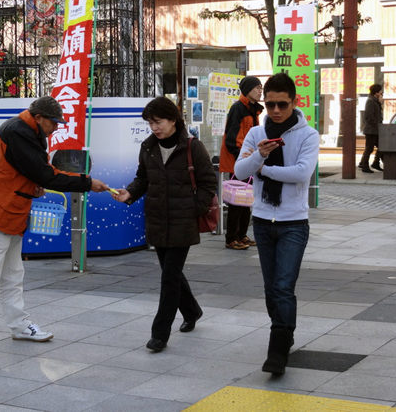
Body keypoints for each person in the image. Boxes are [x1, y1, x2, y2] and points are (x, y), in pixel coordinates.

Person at [0, 96, 109, 356]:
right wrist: (87, 182)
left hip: (10, 212)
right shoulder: (18, 132)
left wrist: (33, 186)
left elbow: (25, 172)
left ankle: (19, 325)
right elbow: (44, 174)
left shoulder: (26, 129)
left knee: (13, 275)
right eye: (53, 122)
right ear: (38, 118)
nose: (57, 127)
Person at [112, 97, 217, 352]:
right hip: (157, 219)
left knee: (169, 277)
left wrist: (194, 210)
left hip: (183, 222)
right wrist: (130, 193)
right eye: (150, 123)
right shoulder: (148, 147)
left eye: (158, 122)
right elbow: (143, 178)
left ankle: (159, 334)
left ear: (173, 120)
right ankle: (192, 311)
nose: (154, 127)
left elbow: (208, 184)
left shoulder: (193, 147)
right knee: (172, 273)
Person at [234, 73, 319, 375]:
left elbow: (301, 173)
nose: (276, 111)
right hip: (261, 220)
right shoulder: (258, 134)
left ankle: (277, 351)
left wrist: (265, 169)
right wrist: (259, 155)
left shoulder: (308, 135)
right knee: (272, 289)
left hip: (293, 223)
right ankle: (285, 331)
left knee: (283, 286)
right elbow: (239, 169)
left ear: (294, 102)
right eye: (270, 104)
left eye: (282, 104)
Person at [219, 76, 263, 250]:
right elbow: (232, 139)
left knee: (246, 199)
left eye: (261, 88)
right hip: (238, 161)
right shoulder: (238, 108)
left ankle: (242, 235)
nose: (260, 91)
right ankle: (231, 238)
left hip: (248, 160)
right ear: (247, 90)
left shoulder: (254, 110)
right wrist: (242, 159)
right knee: (237, 202)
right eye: (257, 88)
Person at [359, 84, 384, 173]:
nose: (381, 92)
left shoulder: (375, 100)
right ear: (376, 92)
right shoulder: (370, 100)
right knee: (369, 148)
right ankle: (364, 166)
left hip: (376, 130)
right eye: (380, 91)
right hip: (371, 130)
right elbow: (369, 115)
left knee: (381, 146)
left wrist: (380, 102)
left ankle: (375, 163)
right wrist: (375, 124)